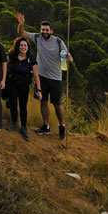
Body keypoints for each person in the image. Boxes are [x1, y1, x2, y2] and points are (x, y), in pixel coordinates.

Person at [15, 12, 73, 140]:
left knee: (57, 104)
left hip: (55, 78)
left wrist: (68, 59)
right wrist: (21, 24)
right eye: (42, 30)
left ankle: (62, 125)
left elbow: (67, 58)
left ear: (51, 31)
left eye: (46, 30)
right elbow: (22, 33)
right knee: (43, 101)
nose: (44, 32)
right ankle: (46, 126)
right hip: (41, 77)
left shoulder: (58, 42)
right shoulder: (37, 38)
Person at [6, 36, 35, 140]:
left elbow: (35, 73)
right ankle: (14, 123)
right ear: (18, 46)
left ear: (28, 47)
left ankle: (23, 127)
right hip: (12, 85)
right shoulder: (12, 56)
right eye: (21, 45)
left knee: (23, 107)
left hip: (24, 86)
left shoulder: (30, 58)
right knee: (13, 105)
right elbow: (7, 70)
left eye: (25, 45)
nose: (23, 47)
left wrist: (38, 87)